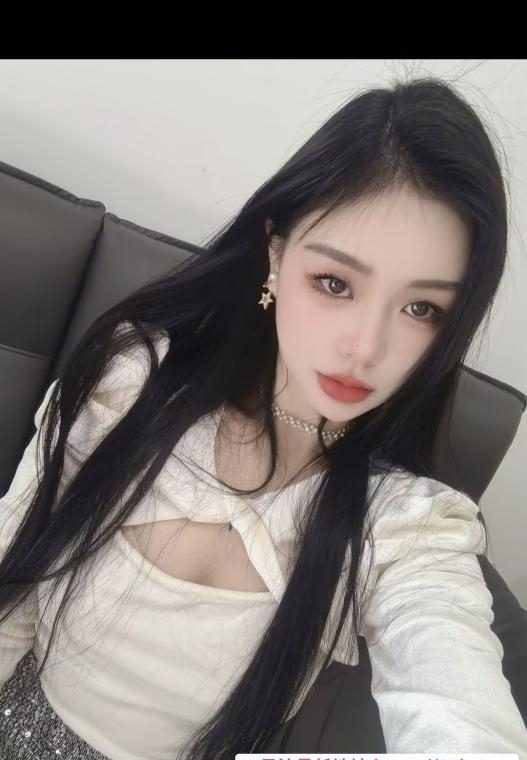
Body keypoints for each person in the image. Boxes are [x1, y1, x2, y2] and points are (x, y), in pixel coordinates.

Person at [0, 76, 526, 760]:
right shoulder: (132, 386)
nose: (365, 348)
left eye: (420, 309)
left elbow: (457, 704)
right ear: (276, 255)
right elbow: (13, 589)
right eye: (334, 283)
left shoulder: (402, 528)